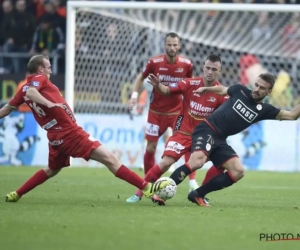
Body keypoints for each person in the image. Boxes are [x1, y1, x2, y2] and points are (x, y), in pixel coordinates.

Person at [2, 55, 170, 202]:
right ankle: (146, 188)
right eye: (48, 67)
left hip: (55, 136)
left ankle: (17, 193)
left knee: (52, 169)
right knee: (110, 159)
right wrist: (48, 103)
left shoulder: (22, 90)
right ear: (40, 69)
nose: (50, 71)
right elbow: (32, 92)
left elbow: (7, 109)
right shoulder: (40, 80)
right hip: (70, 133)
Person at [167, 73, 300, 206]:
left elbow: (292, 115)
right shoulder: (240, 90)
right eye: (256, 85)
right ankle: (162, 192)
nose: (257, 89)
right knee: (197, 161)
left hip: (220, 139)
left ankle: (197, 194)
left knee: (238, 171)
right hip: (207, 129)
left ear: (269, 91)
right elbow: (223, 89)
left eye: (262, 88)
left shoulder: (264, 110)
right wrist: (207, 89)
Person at [144, 54, 229, 205]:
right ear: (203, 68)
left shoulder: (221, 93)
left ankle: (199, 193)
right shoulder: (190, 83)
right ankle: (141, 190)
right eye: (208, 68)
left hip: (203, 136)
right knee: (165, 162)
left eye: (214, 69)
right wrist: (158, 85)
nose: (210, 71)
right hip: (184, 132)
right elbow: (167, 91)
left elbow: (228, 113)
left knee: (224, 163)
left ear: (219, 71)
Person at [126, 32, 197, 203]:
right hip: (155, 113)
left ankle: (193, 182)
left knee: (187, 144)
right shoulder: (154, 62)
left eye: (175, 45)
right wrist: (135, 95)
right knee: (150, 148)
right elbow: (140, 77)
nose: (172, 48)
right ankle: (146, 186)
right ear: (164, 46)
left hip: (177, 114)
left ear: (179, 46)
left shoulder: (187, 65)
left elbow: (190, 85)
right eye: (169, 44)